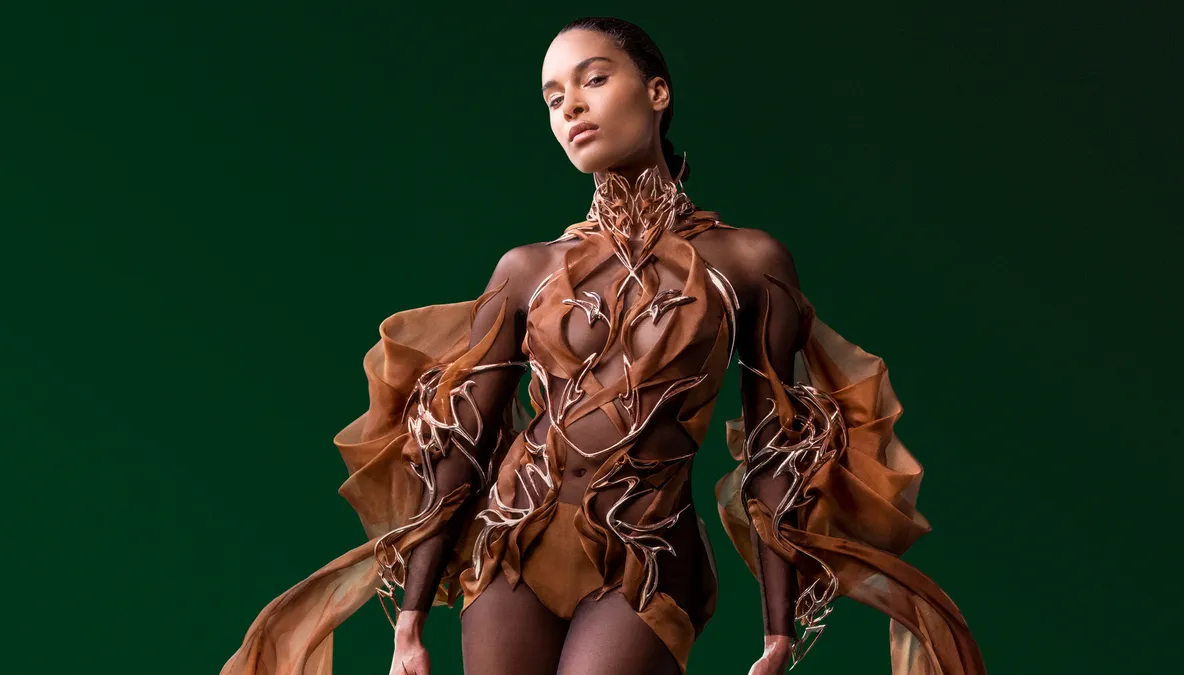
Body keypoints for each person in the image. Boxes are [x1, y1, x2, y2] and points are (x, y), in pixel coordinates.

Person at [220, 16, 986, 675]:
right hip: (511, 546)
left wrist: (780, 626)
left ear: (657, 92)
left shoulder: (748, 262)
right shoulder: (526, 270)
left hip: (650, 556)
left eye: (592, 80)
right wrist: (410, 616)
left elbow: (774, 444)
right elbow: (466, 440)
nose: (571, 109)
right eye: (554, 99)